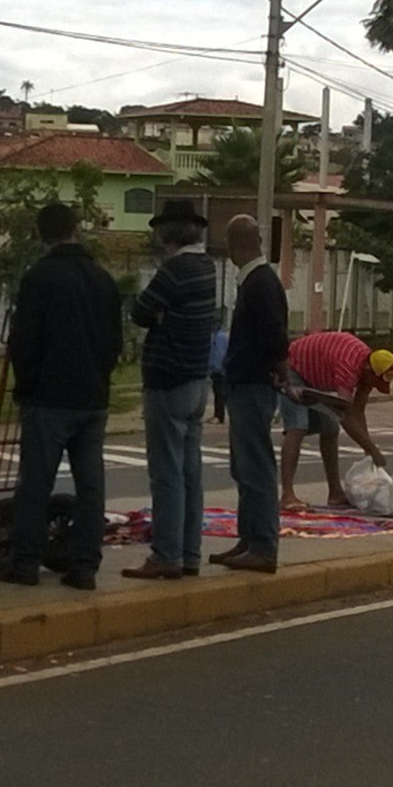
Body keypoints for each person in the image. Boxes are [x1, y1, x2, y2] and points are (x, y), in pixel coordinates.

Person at [0, 202, 123, 591]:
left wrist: (27, 385)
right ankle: (84, 566)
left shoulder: (39, 278)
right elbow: (115, 342)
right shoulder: (103, 279)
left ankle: (25, 562)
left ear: (42, 234)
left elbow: (25, 340)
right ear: (75, 230)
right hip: (93, 397)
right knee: (91, 485)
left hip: (49, 397)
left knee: (36, 483)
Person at [122, 199, 218, 581]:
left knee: (166, 474)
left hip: (168, 379)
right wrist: (163, 315)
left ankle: (166, 554)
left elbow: (140, 312)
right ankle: (190, 553)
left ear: (168, 234)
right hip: (197, 378)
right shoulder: (207, 266)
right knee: (190, 472)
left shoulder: (174, 270)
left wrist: (161, 316)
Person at [210, 215, 291, 573]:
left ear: (233, 245)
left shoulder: (259, 283)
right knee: (243, 467)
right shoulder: (256, 280)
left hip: (253, 385)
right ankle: (249, 538)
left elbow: (274, 337)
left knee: (255, 466)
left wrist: (282, 374)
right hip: (246, 384)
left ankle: (263, 544)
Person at [278, 331, 393, 512]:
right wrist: (373, 450)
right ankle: (287, 495)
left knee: (330, 428)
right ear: (369, 371)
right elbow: (346, 415)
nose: (371, 386)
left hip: (314, 377)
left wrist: (368, 449)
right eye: (374, 382)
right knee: (298, 426)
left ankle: (335, 494)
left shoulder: (367, 369)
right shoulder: (349, 366)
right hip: (293, 368)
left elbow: (358, 411)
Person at [209, 322, 229, 423]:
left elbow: (220, 353)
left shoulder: (219, 336)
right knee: (217, 392)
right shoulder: (218, 336)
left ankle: (219, 415)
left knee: (219, 393)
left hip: (219, 370)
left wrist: (217, 367)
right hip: (217, 369)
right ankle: (217, 414)